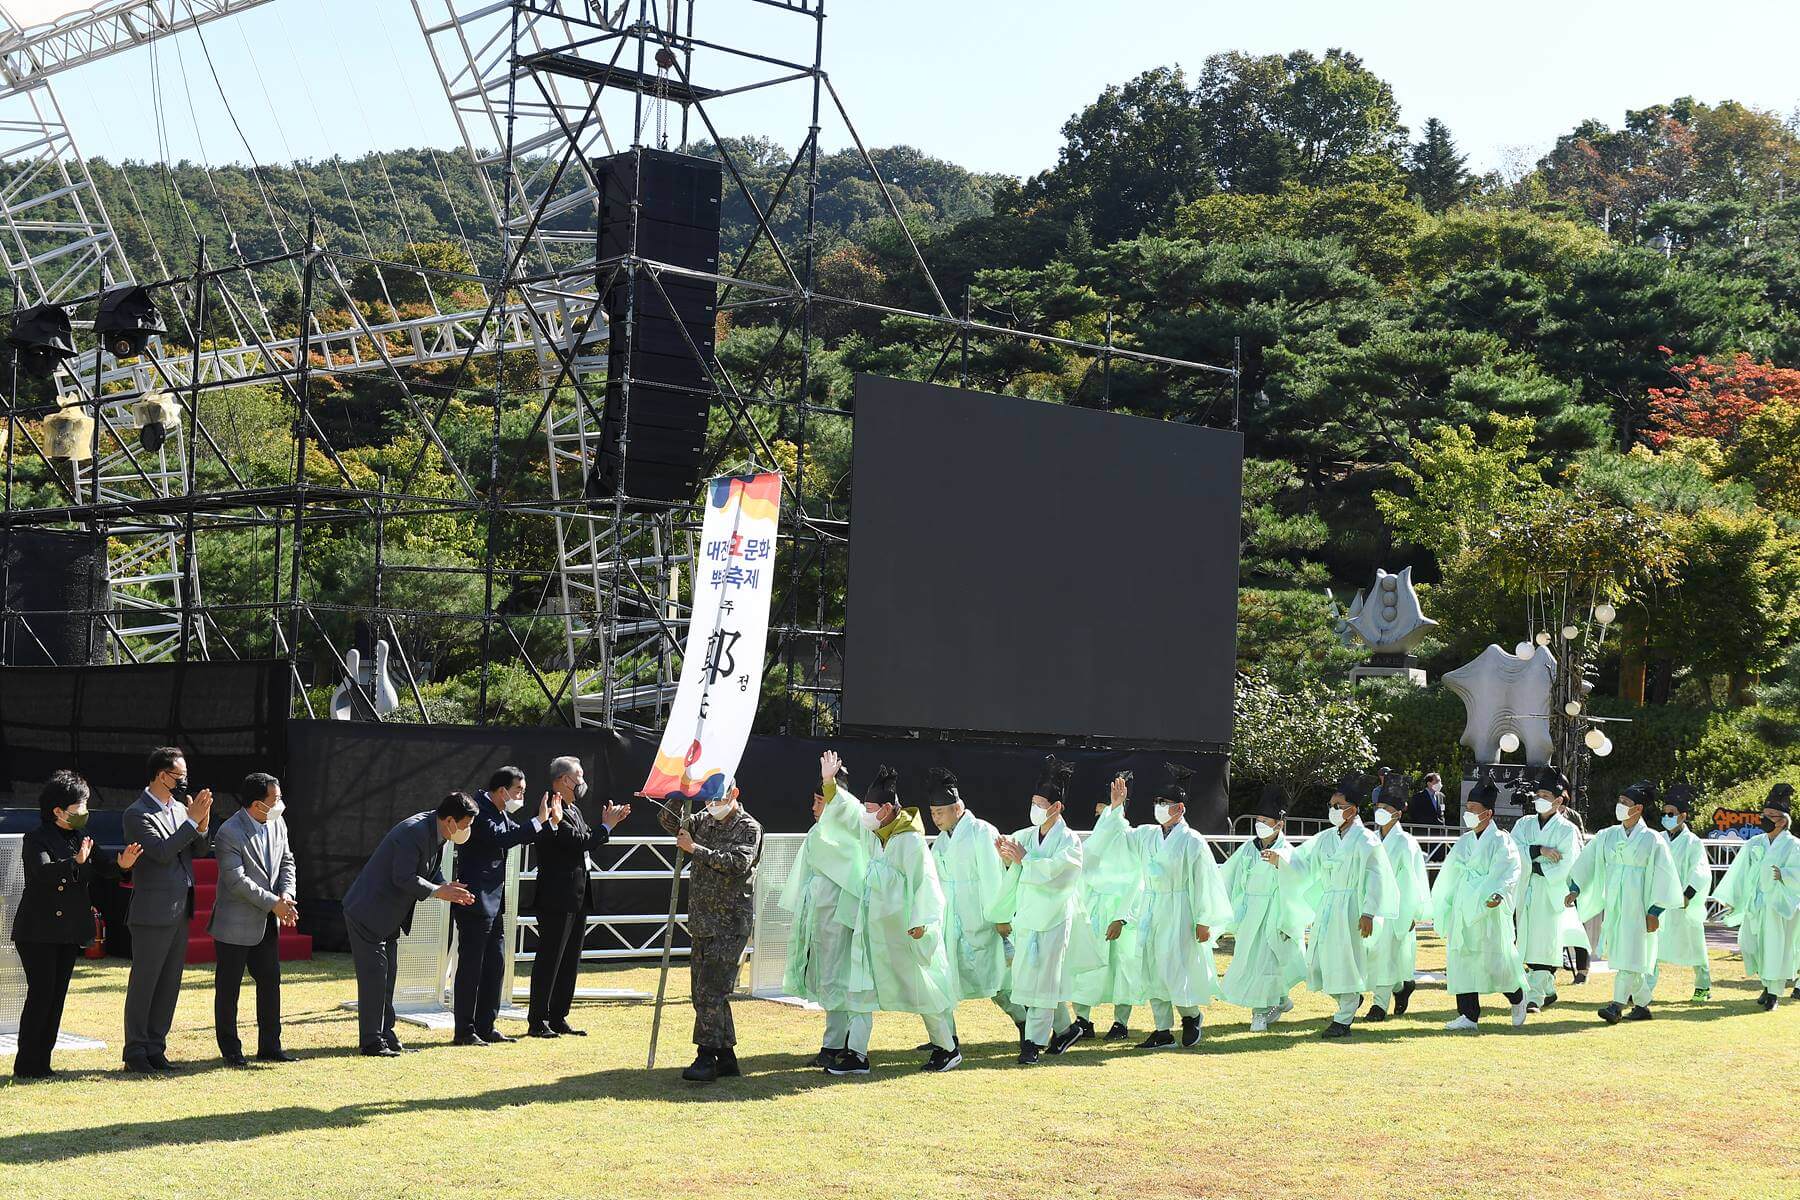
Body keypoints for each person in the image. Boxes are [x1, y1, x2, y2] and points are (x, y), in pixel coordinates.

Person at [1089, 764, 1229, 1050]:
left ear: (1179, 808)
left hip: (1180, 909)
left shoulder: (1192, 841)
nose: (1159, 808)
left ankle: (1191, 1017)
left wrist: (1204, 919)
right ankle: (1162, 1029)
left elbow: (1203, 881)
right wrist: (1115, 808)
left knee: (1176, 967)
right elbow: (1119, 839)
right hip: (1151, 907)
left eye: (1164, 803)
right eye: (1156, 803)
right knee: (1151, 966)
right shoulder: (1148, 835)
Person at [11, 772, 141, 1079]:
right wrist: (76, 864)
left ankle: (43, 1062)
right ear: (58, 810)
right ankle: (27, 1064)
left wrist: (122, 866)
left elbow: (104, 868)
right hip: (38, 932)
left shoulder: (81, 837)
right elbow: (44, 874)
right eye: (78, 807)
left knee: (56, 997)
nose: (84, 813)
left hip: (68, 930)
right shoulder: (36, 838)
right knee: (41, 995)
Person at [837, 765, 956, 1075]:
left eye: (870, 809)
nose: (865, 814)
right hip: (872, 930)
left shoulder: (909, 841)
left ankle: (947, 1047)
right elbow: (845, 817)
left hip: (903, 932)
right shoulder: (876, 837)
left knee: (920, 989)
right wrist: (828, 784)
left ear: (887, 809)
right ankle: (856, 1054)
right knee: (861, 990)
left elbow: (926, 883)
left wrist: (922, 922)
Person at [341, 793, 478, 1056]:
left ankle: (386, 1034)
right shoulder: (413, 831)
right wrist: (439, 891)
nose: (466, 830)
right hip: (368, 912)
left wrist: (446, 886)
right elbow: (403, 877)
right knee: (375, 977)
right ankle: (371, 1041)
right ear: (450, 820)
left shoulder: (438, 832)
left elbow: (429, 870)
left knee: (388, 974)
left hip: (389, 916)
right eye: (465, 824)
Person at [657, 778, 762, 1082]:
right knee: (703, 992)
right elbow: (669, 821)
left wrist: (695, 849)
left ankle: (705, 1057)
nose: (712, 804)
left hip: (730, 922)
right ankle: (726, 1057)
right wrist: (681, 793)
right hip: (704, 921)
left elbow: (738, 863)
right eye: (707, 799)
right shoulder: (705, 820)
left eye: (718, 798)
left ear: (734, 794)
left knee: (710, 991)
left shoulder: (748, 827)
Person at [122, 745, 214, 1072]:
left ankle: (155, 1046)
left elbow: (200, 850)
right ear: (162, 775)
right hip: (152, 910)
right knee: (145, 981)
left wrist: (201, 823)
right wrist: (191, 821)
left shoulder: (179, 808)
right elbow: (161, 852)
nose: (184, 781)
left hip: (180, 907)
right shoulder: (136, 813)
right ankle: (135, 1051)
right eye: (180, 776)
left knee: (169, 982)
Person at [992, 756, 1085, 1064]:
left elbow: (1060, 874)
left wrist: (1025, 860)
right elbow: (1014, 862)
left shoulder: (1069, 841)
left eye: (1040, 803)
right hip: (1029, 916)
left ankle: (1032, 1042)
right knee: (1031, 976)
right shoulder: (1027, 835)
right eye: (1033, 802)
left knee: (1044, 979)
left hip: (1055, 917)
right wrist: (1006, 854)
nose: (1034, 808)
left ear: (1056, 807)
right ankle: (1067, 1029)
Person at [528, 755, 628, 1038]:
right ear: (562, 780)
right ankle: (538, 1020)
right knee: (550, 959)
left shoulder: (574, 809)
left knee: (570, 959)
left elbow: (584, 841)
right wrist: (606, 827)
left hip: (577, 895)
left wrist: (605, 826)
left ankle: (559, 1016)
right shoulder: (551, 807)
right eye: (578, 776)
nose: (582, 782)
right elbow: (577, 842)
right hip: (556, 896)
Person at [780, 753, 870, 1068]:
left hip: (841, 912)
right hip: (821, 913)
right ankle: (836, 1041)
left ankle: (837, 1044)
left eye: (821, 801)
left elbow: (846, 809)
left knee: (839, 976)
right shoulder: (819, 833)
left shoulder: (851, 825)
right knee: (828, 975)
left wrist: (831, 785)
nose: (815, 807)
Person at [1291, 773, 1397, 1038]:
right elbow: (1303, 860)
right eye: (1331, 806)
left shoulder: (1365, 839)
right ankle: (1348, 1001)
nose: (1333, 811)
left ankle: (1343, 1017)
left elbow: (1376, 876)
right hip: (1329, 905)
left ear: (1353, 810)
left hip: (1351, 906)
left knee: (1345, 959)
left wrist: (1368, 912)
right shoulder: (1326, 837)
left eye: (1337, 806)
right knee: (1321, 961)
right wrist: (1281, 860)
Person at [1566, 781, 1681, 1023]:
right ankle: (1642, 1005)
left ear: (1638, 808)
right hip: (1617, 905)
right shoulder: (1608, 835)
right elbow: (1589, 860)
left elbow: (1665, 875)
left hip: (1640, 906)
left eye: (1625, 803)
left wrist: (1655, 911)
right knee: (1629, 954)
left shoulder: (1652, 840)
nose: (1620, 806)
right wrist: (1576, 887)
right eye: (1620, 802)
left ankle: (1617, 1005)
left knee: (1630, 954)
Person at [451, 766, 548, 1046]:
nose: (520, 796)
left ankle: (486, 1025)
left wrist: (547, 822)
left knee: (495, 964)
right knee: (471, 967)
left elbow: (518, 833)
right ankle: (464, 1030)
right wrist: (539, 821)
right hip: (474, 900)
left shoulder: (501, 811)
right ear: (502, 789)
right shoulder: (479, 808)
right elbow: (500, 838)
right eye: (518, 790)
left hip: (494, 903)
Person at [923, 766, 1018, 1049]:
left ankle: (1026, 1025)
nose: (936, 818)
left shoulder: (981, 832)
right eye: (933, 813)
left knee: (996, 982)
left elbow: (994, 877)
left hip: (982, 919)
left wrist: (1001, 918)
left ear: (957, 808)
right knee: (945, 977)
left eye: (940, 812)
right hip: (951, 921)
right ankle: (945, 1036)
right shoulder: (940, 843)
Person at [208, 772, 298, 1066]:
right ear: (258, 804)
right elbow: (237, 882)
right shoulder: (229, 832)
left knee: (270, 982)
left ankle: (271, 1046)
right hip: (234, 923)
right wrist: (275, 904)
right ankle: (231, 1050)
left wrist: (286, 894)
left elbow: (287, 861)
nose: (280, 804)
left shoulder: (278, 822)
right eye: (276, 799)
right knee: (229, 988)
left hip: (267, 923)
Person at [1431, 782, 1528, 1030]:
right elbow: (1451, 872)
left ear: (1488, 814)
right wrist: (1446, 900)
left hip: (1487, 909)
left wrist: (1498, 893)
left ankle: (1517, 995)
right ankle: (1468, 1015)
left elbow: (1509, 870)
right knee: (1462, 959)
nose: (1469, 814)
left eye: (1474, 809)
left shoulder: (1501, 840)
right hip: (1464, 906)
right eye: (1468, 808)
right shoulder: (1464, 841)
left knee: (1494, 963)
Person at [1064, 770, 1147, 1049]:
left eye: (1108, 806)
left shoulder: (1132, 838)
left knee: (1123, 966)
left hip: (1122, 912)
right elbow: (1084, 870)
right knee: (1087, 964)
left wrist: (1122, 917)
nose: (1101, 811)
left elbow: (1138, 880)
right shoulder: (1098, 837)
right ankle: (1083, 1020)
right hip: (1095, 907)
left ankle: (1121, 1022)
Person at [1218, 787, 1310, 1032]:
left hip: (1274, 914)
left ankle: (1259, 1013)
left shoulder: (1287, 851)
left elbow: (1302, 878)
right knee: (1252, 962)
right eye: (1257, 820)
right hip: (1250, 914)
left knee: (1267, 963)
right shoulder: (1249, 848)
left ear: (1278, 825)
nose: (1259, 825)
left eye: (1265, 821)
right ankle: (1280, 1001)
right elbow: (1229, 876)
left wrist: (1281, 864)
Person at [1712, 783, 1800, 1010]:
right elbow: (1739, 872)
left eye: (1771, 816)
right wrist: (1732, 898)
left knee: (1776, 947)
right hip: (1756, 904)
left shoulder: (1793, 845)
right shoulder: (1755, 843)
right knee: (1753, 946)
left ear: (1782, 820)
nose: (1765, 819)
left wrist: (1785, 875)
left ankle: (1773, 993)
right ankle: (1766, 983)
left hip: (1778, 905)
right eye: (1764, 815)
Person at [1511, 765, 1583, 1013]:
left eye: (1546, 796)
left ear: (1559, 800)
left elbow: (1567, 862)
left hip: (1551, 893)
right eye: (1538, 795)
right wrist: (1538, 852)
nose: (1540, 800)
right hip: (1527, 891)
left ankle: (1534, 996)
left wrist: (1534, 863)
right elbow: (1514, 851)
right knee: (1527, 941)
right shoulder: (1524, 824)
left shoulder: (1567, 830)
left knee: (1546, 943)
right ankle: (1548, 990)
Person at [1366, 786, 1430, 1021]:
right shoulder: (1371, 839)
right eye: (1378, 808)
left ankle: (1379, 1005)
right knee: (1372, 954)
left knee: (1386, 953)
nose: (1381, 812)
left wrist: (1413, 911)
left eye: (1387, 809)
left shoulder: (1405, 842)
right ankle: (1401, 987)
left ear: (1398, 814)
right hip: (1371, 904)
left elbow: (1415, 879)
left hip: (1396, 907)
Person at [1652, 784, 1715, 1001]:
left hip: (1683, 901)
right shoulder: (1657, 838)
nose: (1667, 817)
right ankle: (1644, 989)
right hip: (1660, 899)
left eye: (1671, 814)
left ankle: (1703, 985)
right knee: (1653, 946)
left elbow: (1701, 870)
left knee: (1694, 944)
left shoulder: (1692, 842)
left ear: (1683, 816)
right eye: (1664, 813)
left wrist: (1687, 895)